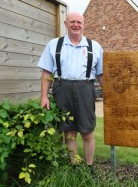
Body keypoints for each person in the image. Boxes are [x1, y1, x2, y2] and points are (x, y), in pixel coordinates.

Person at [37, 11, 103, 180]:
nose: (76, 25)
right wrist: (44, 96)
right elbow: (46, 73)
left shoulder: (94, 46)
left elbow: (101, 74)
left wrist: (109, 93)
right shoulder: (54, 45)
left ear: (84, 24)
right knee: (69, 132)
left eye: (79, 22)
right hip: (62, 88)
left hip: (85, 89)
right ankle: (74, 165)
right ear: (65, 24)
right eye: (72, 21)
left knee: (87, 132)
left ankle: (90, 167)